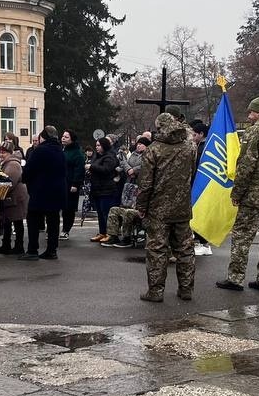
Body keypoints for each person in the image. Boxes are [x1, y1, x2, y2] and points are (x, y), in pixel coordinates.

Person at [217, 96, 259, 292]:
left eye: (251, 112)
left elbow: (246, 165)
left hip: (255, 195)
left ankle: (235, 278)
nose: (248, 116)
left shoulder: (255, 132)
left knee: (241, 236)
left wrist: (237, 192)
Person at [136, 112, 197, 302]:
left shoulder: (153, 150)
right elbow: (191, 173)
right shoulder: (190, 147)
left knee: (157, 250)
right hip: (182, 207)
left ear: (160, 127)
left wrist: (141, 207)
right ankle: (186, 289)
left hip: (158, 209)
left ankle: (155, 291)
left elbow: (145, 184)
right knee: (185, 249)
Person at [22, 126, 66, 260]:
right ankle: (52, 250)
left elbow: (29, 169)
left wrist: (25, 179)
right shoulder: (60, 150)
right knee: (53, 221)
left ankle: (32, 250)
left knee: (33, 219)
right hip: (57, 190)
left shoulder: (40, 150)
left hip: (40, 190)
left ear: (44, 137)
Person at [87, 136, 122, 241]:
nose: (96, 147)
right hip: (97, 189)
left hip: (107, 189)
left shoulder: (110, 157)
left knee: (106, 213)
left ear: (104, 146)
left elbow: (106, 169)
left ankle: (110, 234)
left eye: (99, 145)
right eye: (96, 145)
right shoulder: (97, 157)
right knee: (100, 213)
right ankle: (102, 232)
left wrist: (91, 167)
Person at [0, 141, 28, 254]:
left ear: (10, 153)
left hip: (16, 197)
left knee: (17, 221)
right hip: (12, 197)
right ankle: (6, 245)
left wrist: (0, 190)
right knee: (8, 221)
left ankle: (19, 246)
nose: (1, 154)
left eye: (4, 152)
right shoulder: (8, 163)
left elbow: (10, 182)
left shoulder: (13, 164)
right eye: (0, 152)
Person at [189, 121, 213, 256]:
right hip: (196, 184)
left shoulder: (204, 148)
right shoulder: (199, 146)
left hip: (201, 185)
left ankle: (204, 243)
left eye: (194, 134)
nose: (192, 136)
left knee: (200, 213)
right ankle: (199, 241)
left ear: (201, 134)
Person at [60, 130, 84, 238]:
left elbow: (79, 170)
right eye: (63, 136)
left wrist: (75, 184)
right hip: (61, 183)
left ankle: (66, 229)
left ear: (72, 139)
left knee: (69, 209)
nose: (63, 138)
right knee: (61, 207)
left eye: (66, 137)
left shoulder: (77, 153)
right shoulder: (63, 150)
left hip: (71, 184)